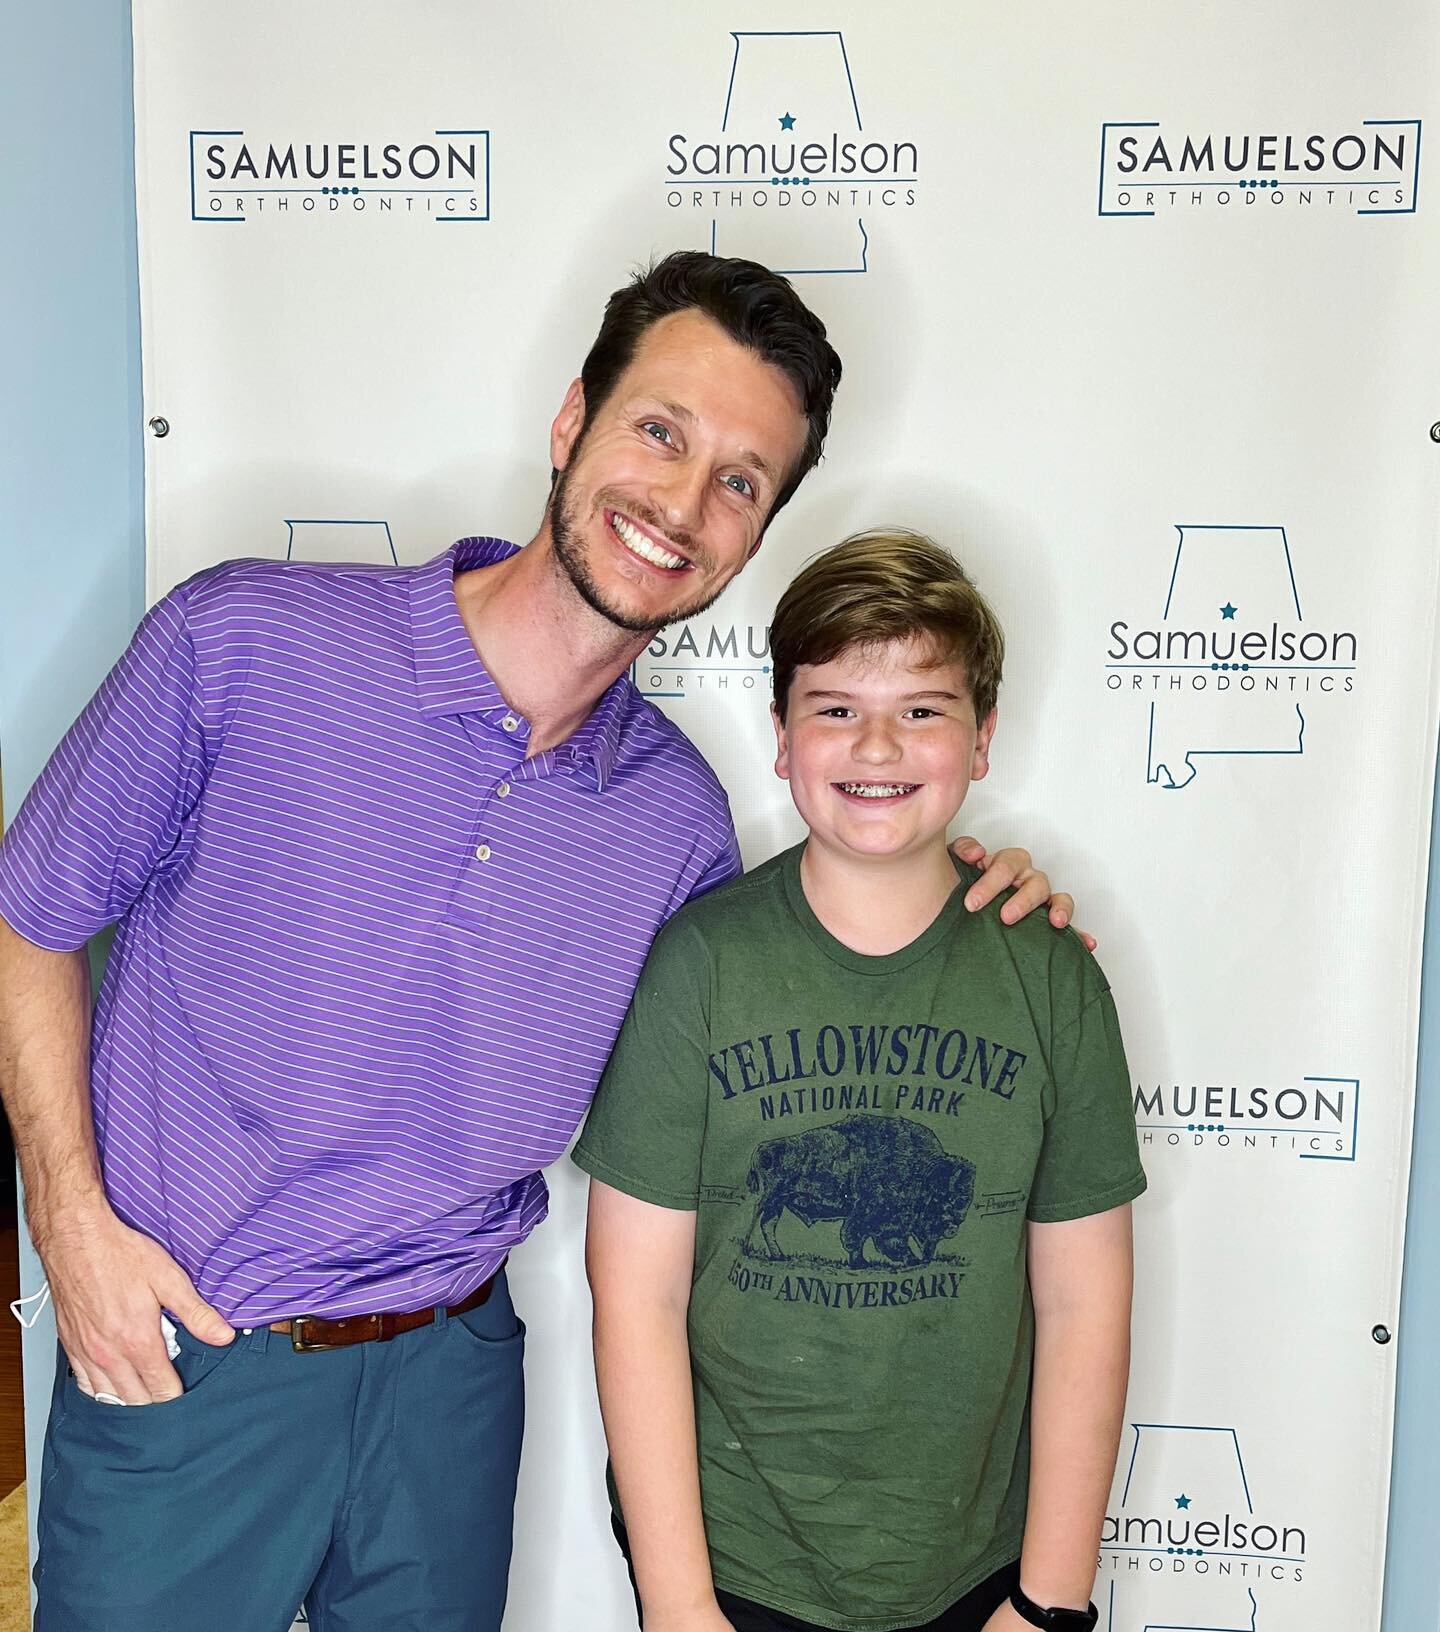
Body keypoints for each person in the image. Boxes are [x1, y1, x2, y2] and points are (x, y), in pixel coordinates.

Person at [0, 256, 1077, 1632]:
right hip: (193, 1355)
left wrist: (970, 887)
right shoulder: (245, 640)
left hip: (452, 1383)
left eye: (742, 483)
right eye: (661, 431)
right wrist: (68, 1224)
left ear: (755, 539)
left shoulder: (679, 820)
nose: (684, 504)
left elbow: (791, 978)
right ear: (572, 422)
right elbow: (32, 913)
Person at [577, 528, 1144, 1632]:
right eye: (835, 707)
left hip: (977, 1561)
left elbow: (1085, 1299)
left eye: (922, 710)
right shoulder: (699, 965)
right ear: (780, 738)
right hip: (737, 1560)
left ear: (982, 740)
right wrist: (679, 1605)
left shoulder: (1049, 980)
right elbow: (635, 1296)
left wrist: (1050, 1601)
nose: (877, 742)